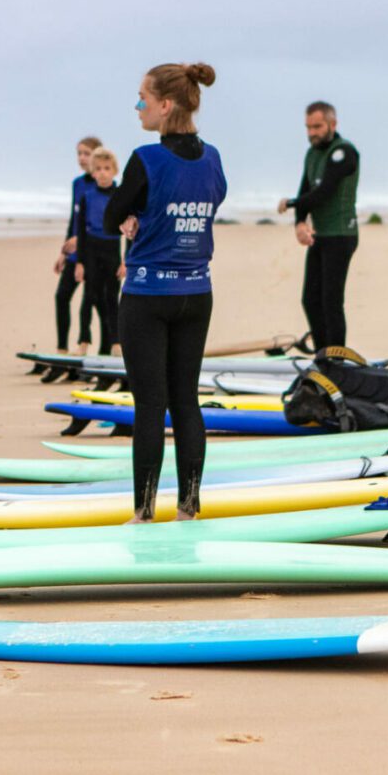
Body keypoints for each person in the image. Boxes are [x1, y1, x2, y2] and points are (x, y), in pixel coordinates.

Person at [106, 63, 227, 522]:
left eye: (142, 98)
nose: (137, 106)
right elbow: (213, 198)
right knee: (186, 400)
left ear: (165, 105)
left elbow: (109, 214)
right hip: (197, 293)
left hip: (148, 296)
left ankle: (142, 512)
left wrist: (132, 218)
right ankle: (189, 506)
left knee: (151, 406)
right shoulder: (213, 156)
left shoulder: (146, 158)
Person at [278, 102, 360, 349]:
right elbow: (306, 190)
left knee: (331, 301)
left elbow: (324, 192)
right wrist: (300, 223)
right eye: (308, 127)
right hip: (320, 235)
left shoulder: (344, 152)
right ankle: (323, 355)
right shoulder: (312, 153)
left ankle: (337, 360)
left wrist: (290, 203)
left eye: (317, 126)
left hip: (341, 234)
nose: (312, 132)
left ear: (332, 124)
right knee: (310, 300)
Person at [52, 136, 103, 354]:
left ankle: (104, 349)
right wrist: (64, 251)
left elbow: (104, 224)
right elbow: (74, 221)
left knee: (98, 303)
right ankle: (62, 349)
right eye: (79, 153)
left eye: (86, 153)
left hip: (96, 254)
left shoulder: (104, 187)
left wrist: (82, 240)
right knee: (61, 296)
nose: (82, 158)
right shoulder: (78, 184)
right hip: (75, 255)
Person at [75, 146, 125, 356]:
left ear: (114, 171)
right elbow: (81, 231)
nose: (103, 173)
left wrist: (126, 261)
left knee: (112, 298)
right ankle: (83, 343)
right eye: (99, 169)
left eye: (107, 168)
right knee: (89, 297)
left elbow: (130, 231)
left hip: (113, 248)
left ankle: (116, 344)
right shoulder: (87, 196)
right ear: (93, 172)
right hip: (92, 250)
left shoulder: (121, 195)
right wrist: (79, 261)